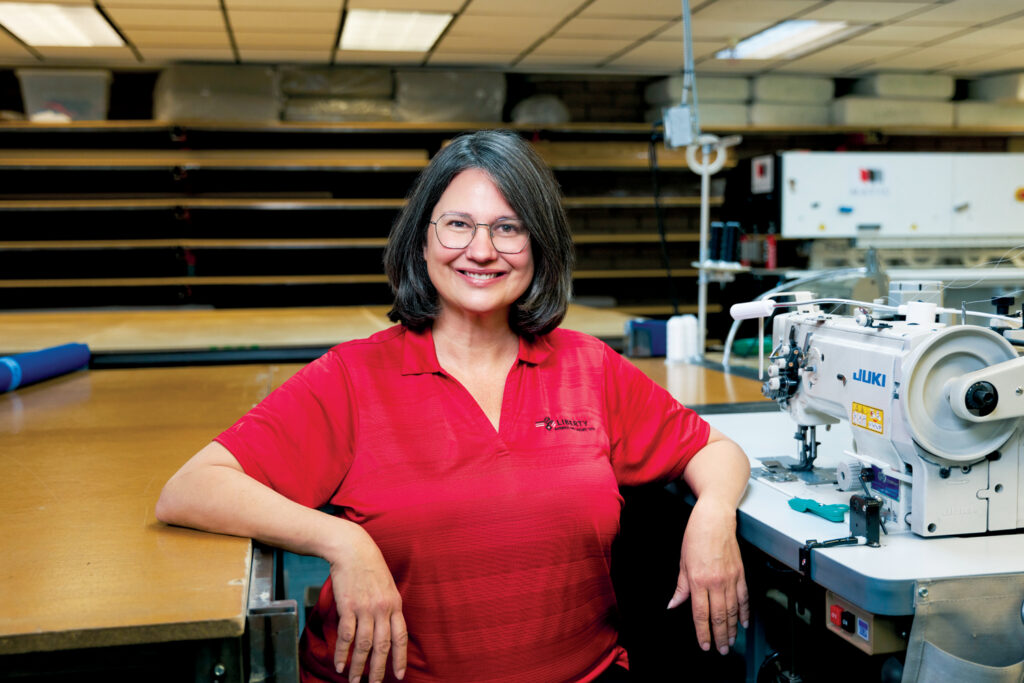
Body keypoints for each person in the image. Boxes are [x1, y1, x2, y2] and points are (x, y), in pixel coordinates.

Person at [156, 129, 750, 683]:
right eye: (458, 224)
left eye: (509, 228)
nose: (482, 250)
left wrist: (714, 514)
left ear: (539, 243)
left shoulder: (587, 366)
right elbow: (192, 488)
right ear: (422, 238)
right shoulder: (353, 377)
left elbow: (713, 448)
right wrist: (342, 543)